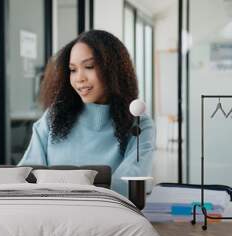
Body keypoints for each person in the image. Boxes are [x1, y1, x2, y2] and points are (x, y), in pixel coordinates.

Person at [18, 30, 155, 197]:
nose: (79, 78)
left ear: (112, 69)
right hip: (50, 215)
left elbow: (129, 184)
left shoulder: (139, 124)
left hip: (107, 217)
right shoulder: (53, 116)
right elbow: (24, 176)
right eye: (73, 70)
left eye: (89, 67)